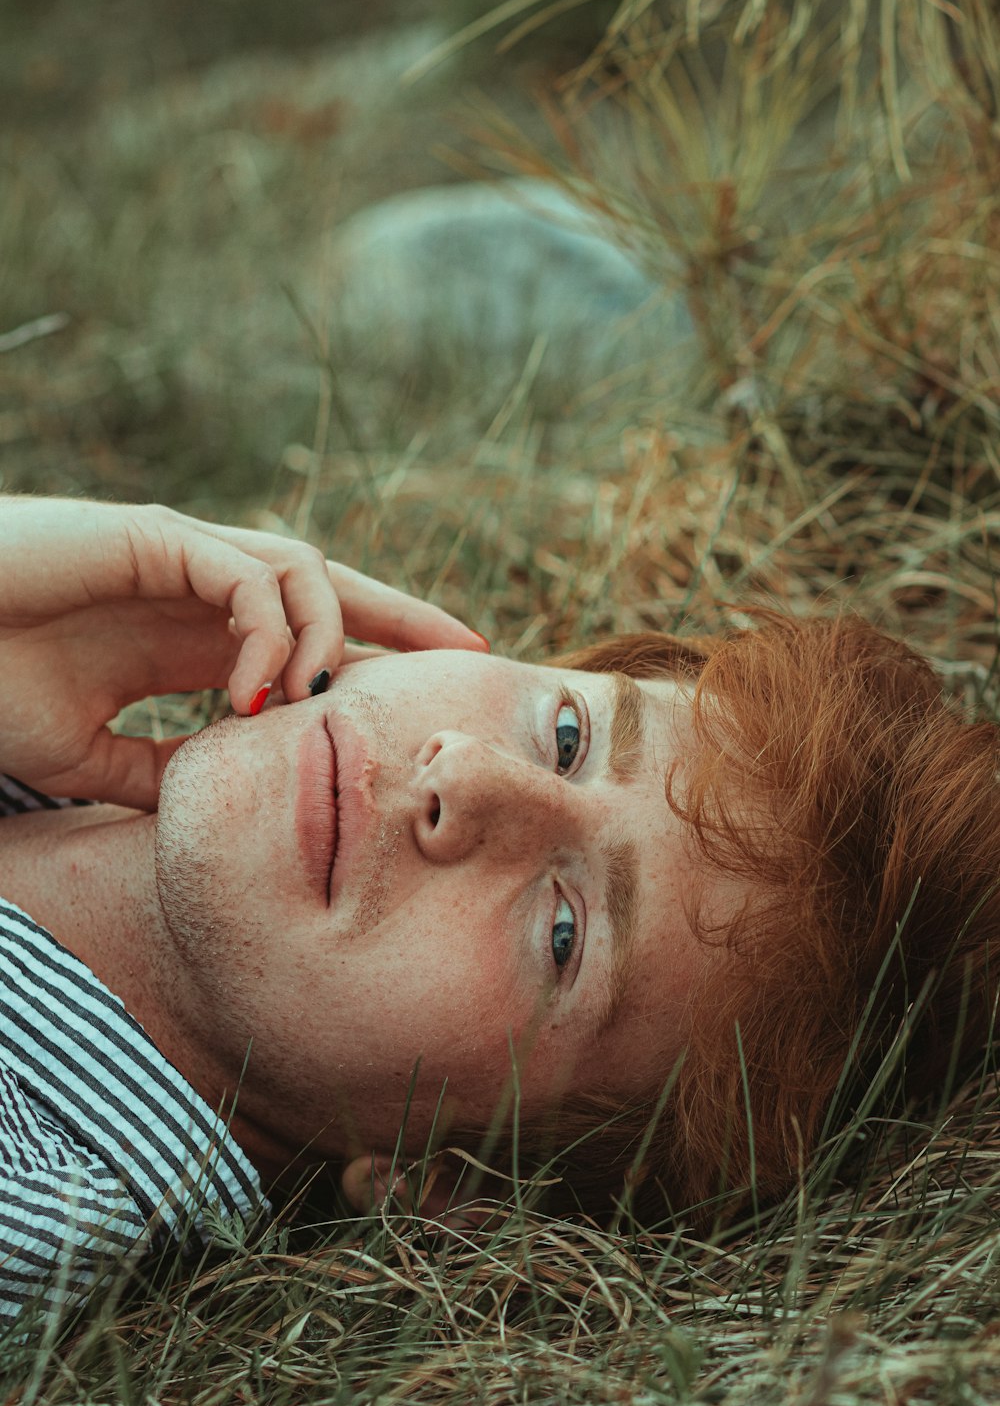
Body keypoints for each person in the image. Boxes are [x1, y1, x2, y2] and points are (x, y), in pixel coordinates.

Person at [0, 495, 996, 1327]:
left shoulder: (31, 1205)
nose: (464, 778)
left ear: (446, 1184)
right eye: (569, 736)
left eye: (561, 936)